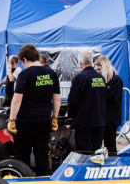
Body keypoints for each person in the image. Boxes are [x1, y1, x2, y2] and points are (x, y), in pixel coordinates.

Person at [9, 44, 60, 176]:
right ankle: (43, 183)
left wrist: (12, 119)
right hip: (44, 121)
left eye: (22, 62)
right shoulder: (51, 73)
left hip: (26, 122)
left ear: (25, 60)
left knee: (22, 155)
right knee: (42, 154)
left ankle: (23, 181)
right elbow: (57, 99)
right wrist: (54, 117)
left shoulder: (25, 74)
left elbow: (17, 100)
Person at [67, 50, 107, 154]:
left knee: (85, 154)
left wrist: (70, 118)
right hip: (99, 122)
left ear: (80, 63)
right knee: (97, 153)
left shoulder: (80, 77)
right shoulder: (100, 78)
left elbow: (73, 101)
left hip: (85, 123)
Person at [94, 54, 124, 154]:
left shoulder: (116, 80)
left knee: (110, 144)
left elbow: (113, 98)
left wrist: (100, 93)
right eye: (96, 70)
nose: (98, 72)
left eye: (99, 69)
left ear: (105, 67)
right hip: (101, 118)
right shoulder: (102, 81)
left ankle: (112, 163)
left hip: (111, 119)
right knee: (98, 144)